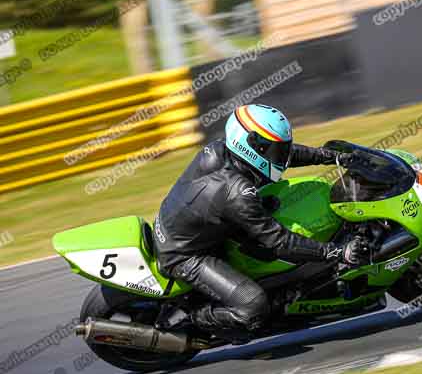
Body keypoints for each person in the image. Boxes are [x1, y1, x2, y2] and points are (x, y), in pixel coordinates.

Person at [153, 104, 369, 342]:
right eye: (275, 149)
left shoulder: (221, 151)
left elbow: (285, 156)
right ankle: (193, 318)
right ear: (252, 144)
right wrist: (338, 252)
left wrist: (330, 156)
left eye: (280, 148)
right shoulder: (236, 192)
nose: (281, 155)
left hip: (194, 226)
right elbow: (280, 242)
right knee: (254, 307)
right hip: (185, 255)